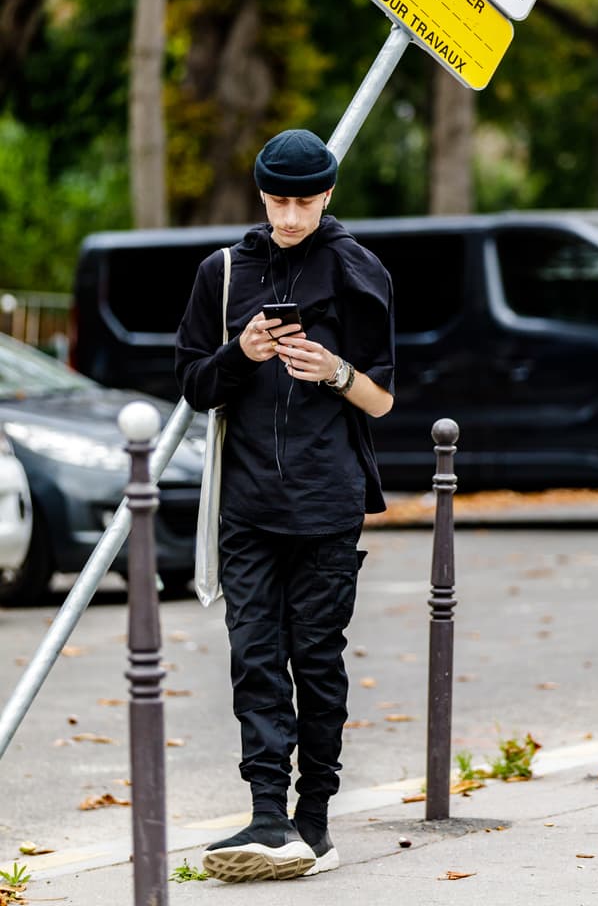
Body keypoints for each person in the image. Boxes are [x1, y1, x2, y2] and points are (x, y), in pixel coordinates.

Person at [175, 129, 395, 882]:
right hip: (246, 505)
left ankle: (315, 820)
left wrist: (334, 370)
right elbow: (194, 384)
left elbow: (383, 398)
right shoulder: (225, 272)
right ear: (260, 194)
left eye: (304, 201)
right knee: (255, 658)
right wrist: (241, 355)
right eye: (278, 201)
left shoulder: (358, 270)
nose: (291, 216)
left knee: (317, 659)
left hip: (328, 501)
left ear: (329, 194)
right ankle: (268, 814)